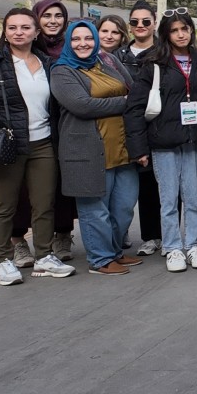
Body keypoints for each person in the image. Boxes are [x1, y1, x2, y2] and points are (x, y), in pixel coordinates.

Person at [0, 9, 75, 284]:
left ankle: (45, 256)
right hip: (4, 147)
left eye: (25, 27)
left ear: (36, 32)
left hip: (43, 144)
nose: (19, 32)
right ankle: (3, 261)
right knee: (4, 206)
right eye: (12, 27)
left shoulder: (47, 62)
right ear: (5, 31)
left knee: (44, 203)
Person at [124, 10, 197, 272]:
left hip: (195, 141)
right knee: (168, 199)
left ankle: (193, 245)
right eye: (175, 30)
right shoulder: (153, 64)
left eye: (185, 29)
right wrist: (139, 148)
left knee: (192, 197)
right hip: (164, 142)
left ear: (191, 31)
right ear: (166, 33)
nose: (181, 34)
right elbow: (134, 108)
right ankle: (173, 248)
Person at [51, 20, 142, 276]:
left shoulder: (107, 63)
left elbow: (134, 91)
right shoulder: (62, 71)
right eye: (76, 39)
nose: (83, 43)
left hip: (122, 149)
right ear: (69, 42)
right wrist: (124, 102)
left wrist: (128, 100)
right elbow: (83, 106)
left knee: (123, 207)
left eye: (88, 38)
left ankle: (114, 252)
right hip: (87, 151)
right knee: (95, 210)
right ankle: (100, 259)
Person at [119, 1, 164, 259]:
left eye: (145, 21)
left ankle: (156, 235)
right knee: (127, 187)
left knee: (157, 186)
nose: (140, 26)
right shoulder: (119, 56)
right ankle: (124, 233)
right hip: (125, 125)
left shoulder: (164, 52)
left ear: (154, 22)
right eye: (134, 22)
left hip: (158, 125)